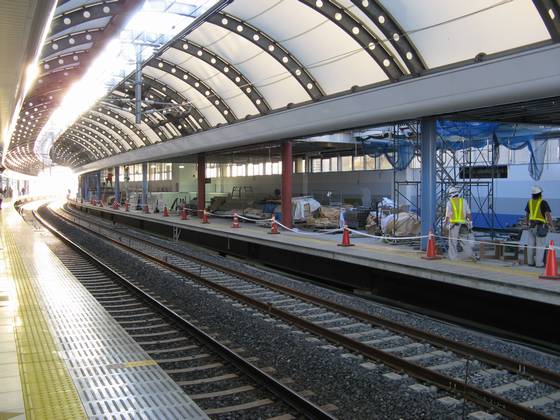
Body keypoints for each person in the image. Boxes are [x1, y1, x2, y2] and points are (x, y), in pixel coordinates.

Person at [525, 186, 554, 267]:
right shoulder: (543, 202)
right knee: (540, 246)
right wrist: (552, 226)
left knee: (530, 246)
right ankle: (539, 264)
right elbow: (548, 215)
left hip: (531, 227)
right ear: (540, 194)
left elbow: (527, 215)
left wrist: (526, 224)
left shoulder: (529, 202)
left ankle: (530, 263)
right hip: (540, 227)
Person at [445, 186, 474, 260]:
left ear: (451, 195)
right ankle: (470, 256)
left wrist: (445, 223)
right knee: (465, 242)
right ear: (457, 194)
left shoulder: (449, 202)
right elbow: (469, 213)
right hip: (464, 224)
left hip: (454, 225)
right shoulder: (463, 201)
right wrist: (470, 222)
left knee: (452, 242)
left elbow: (448, 215)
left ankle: (453, 258)